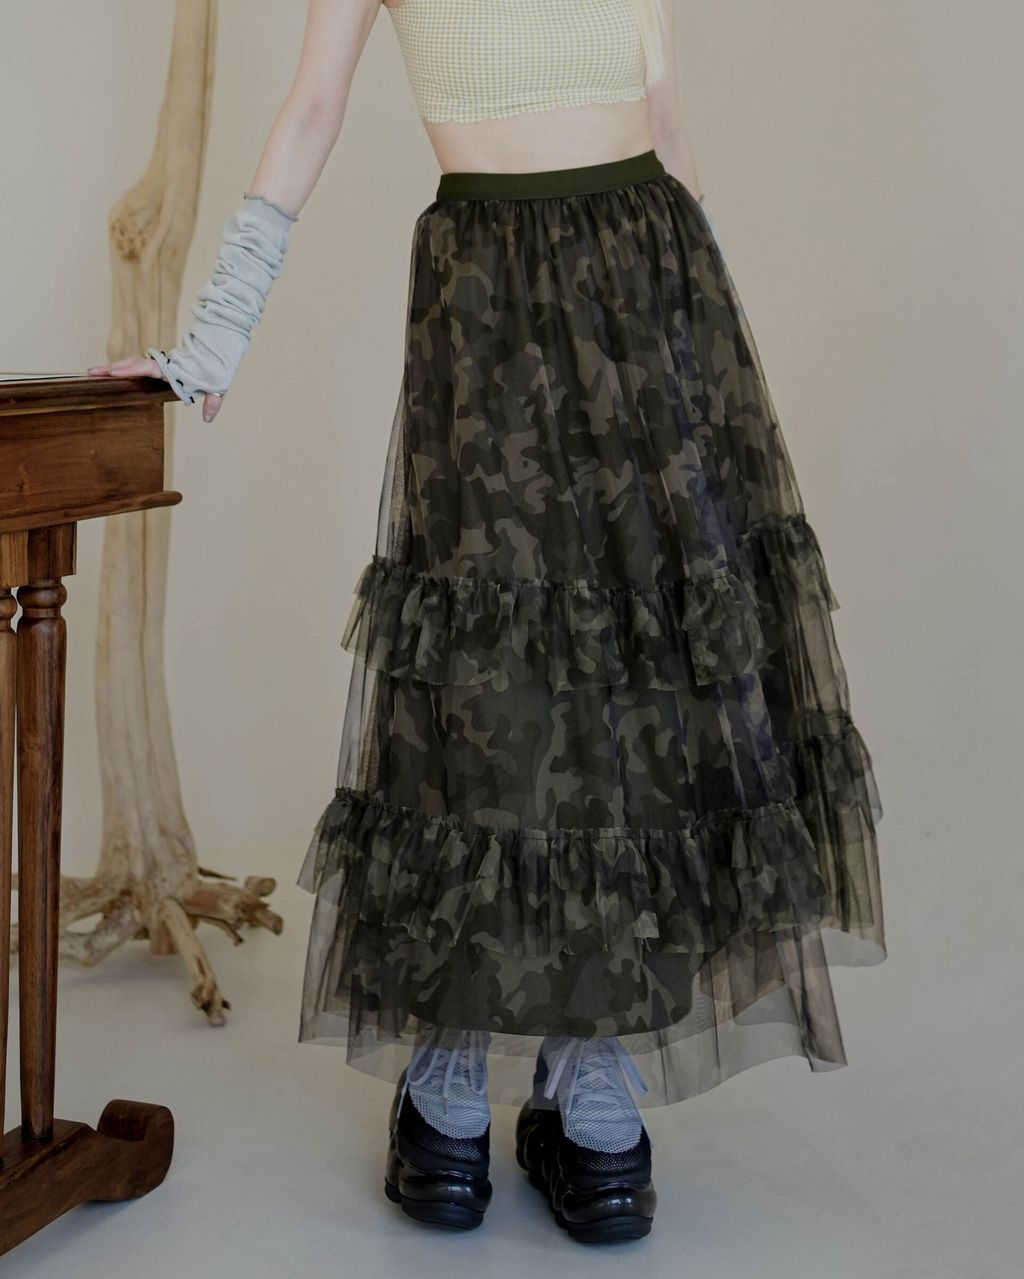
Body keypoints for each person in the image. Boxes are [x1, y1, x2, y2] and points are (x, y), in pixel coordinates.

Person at [88, 0, 886, 1245]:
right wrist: (215, 336)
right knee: (481, 673)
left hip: (649, 282)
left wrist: (715, 367)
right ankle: (452, 1041)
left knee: (636, 677)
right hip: (485, 294)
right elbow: (311, 109)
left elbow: (663, 115)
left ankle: (588, 1053)